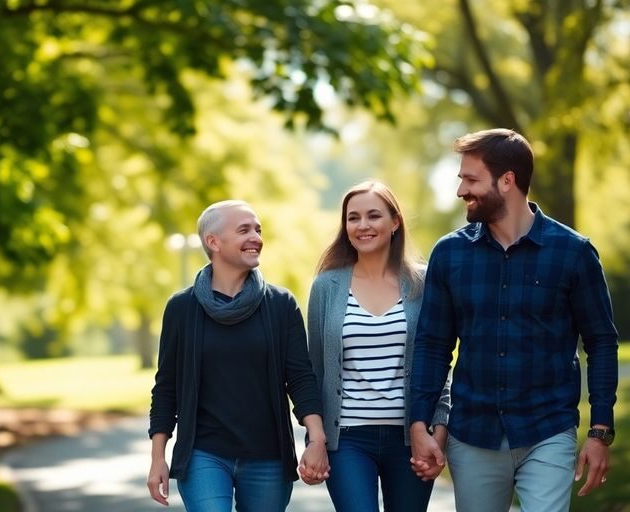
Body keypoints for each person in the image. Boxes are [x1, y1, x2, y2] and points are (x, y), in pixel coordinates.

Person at [409, 128, 619, 512]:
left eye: (470, 180)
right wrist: (419, 421)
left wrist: (600, 431)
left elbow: (601, 342)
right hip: (473, 435)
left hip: (547, 430)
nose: (460, 191)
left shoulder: (573, 253)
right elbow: (433, 345)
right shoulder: (449, 254)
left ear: (508, 181)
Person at [147, 200, 329, 511]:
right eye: (244, 230)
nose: (256, 237)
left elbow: (300, 377)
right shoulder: (182, 308)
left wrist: (317, 439)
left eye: (258, 230)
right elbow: (166, 388)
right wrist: (157, 458)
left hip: (268, 457)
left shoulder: (280, 304)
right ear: (213, 242)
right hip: (203, 454)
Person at [306, 180, 451, 512]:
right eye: (353, 218)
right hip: (347, 441)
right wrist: (315, 439)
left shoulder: (424, 283)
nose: (363, 225)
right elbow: (314, 371)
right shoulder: (326, 287)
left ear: (395, 221)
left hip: (410, 438)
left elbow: (439, 365)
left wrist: (438, 433)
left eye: (373, 215)